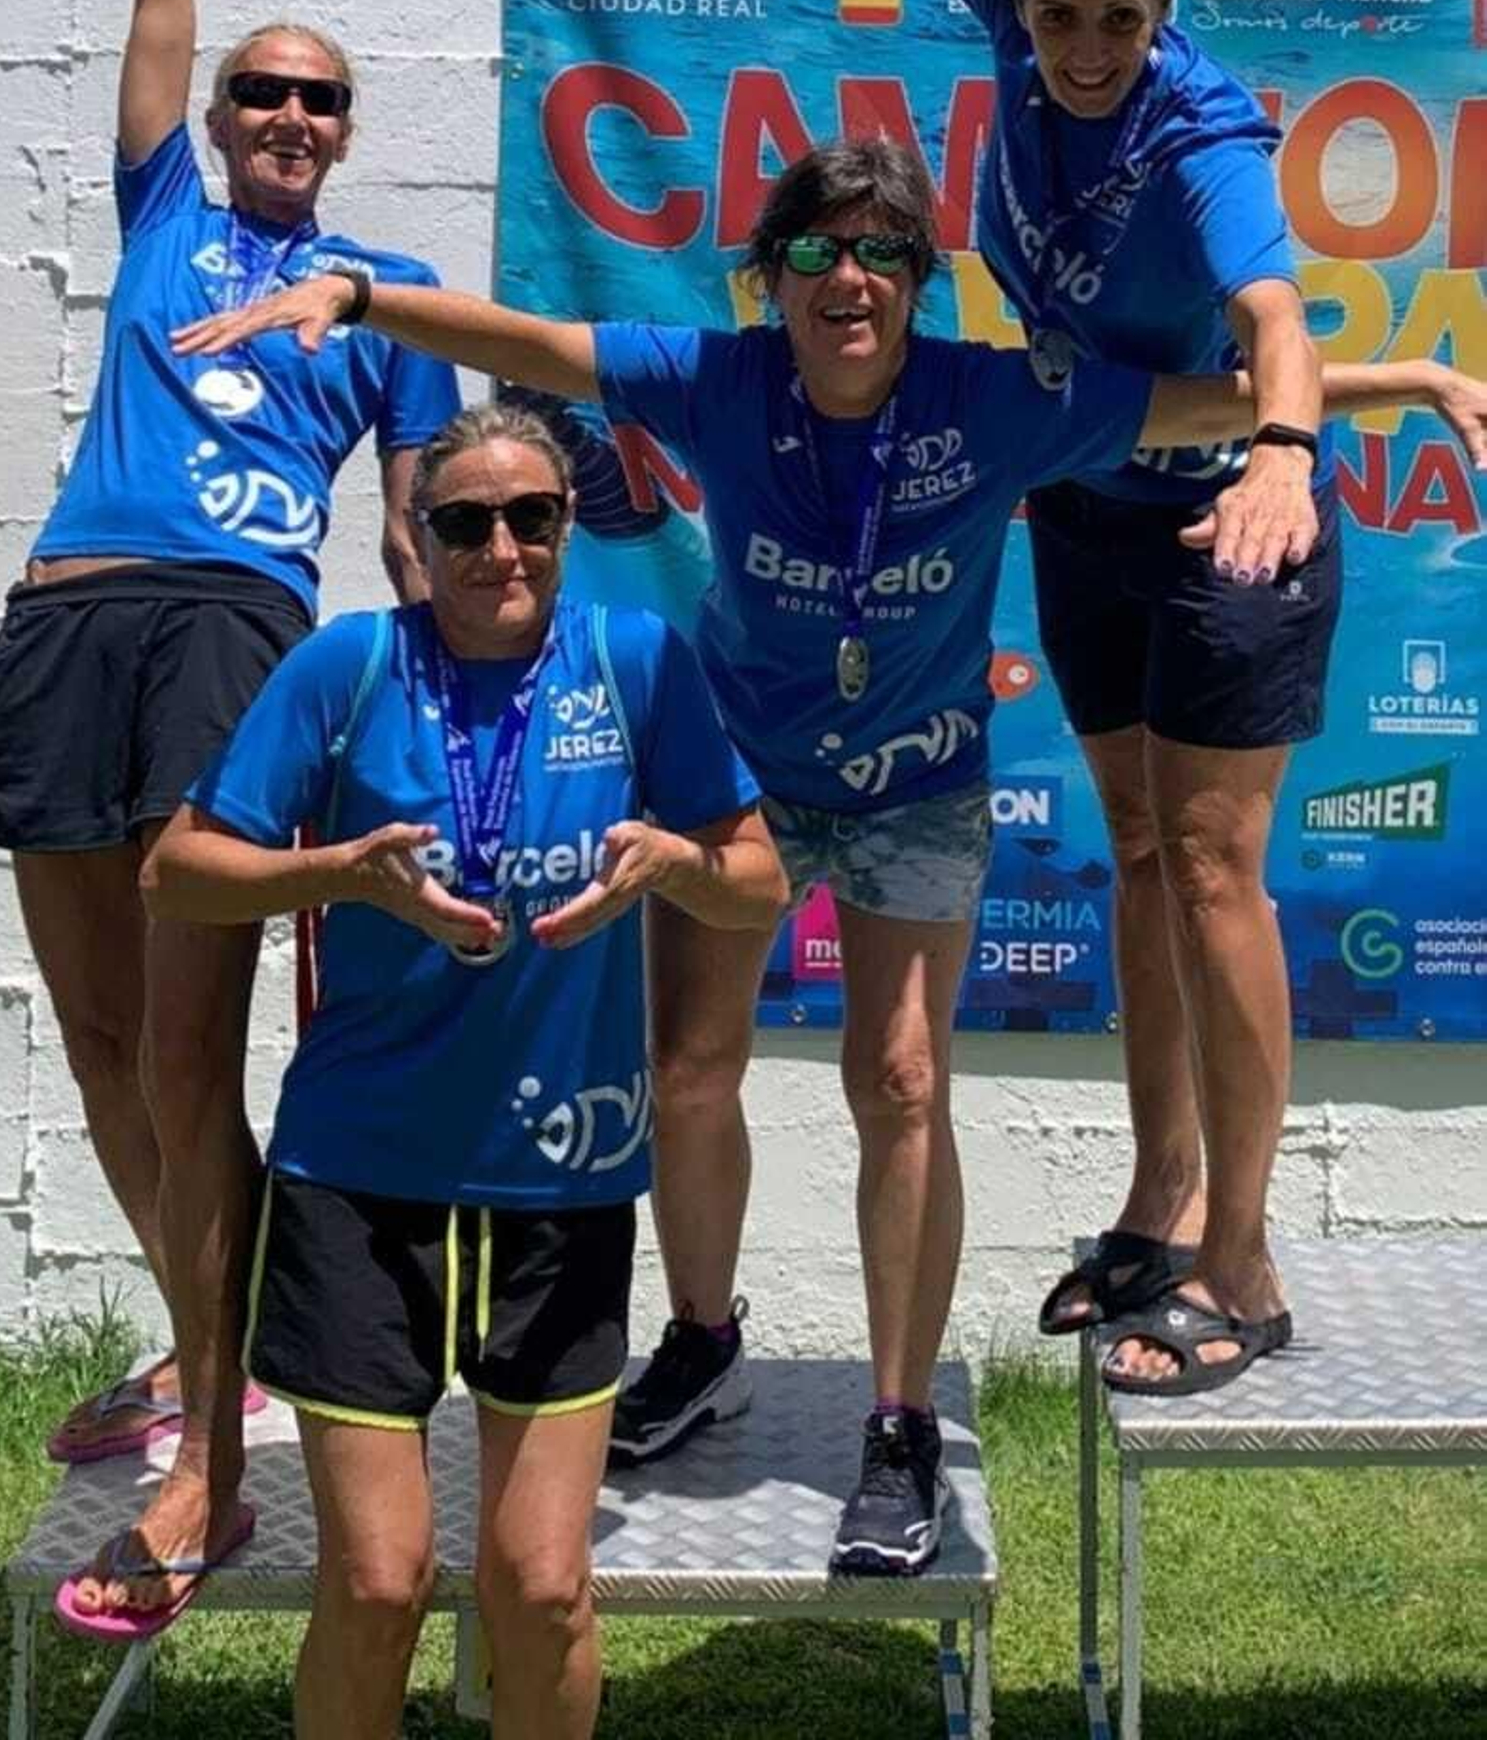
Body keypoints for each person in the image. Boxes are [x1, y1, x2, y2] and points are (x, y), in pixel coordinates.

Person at [167, 139, 1482, 1549]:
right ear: (772, 276)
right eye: (814, 253)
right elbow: (535, 340)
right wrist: (364, 299)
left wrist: (1395, 385)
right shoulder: (721, 379)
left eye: (880, 254)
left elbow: (1189, 406)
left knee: (902, 1077)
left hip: (920, 780)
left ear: (918, 279)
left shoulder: (988, 395)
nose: (845, 278)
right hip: (748, 780)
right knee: (687, 1071)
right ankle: (705, 1334)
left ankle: (900, 1420)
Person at [808, 0, 1486, 1394]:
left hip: (1231, 529)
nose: (1087, 45)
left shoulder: (1202, 139)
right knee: (1128, 851)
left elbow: (1274, 317)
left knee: (1208, 870)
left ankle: (1244, 1268)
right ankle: (1157, 1198)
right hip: (1091, 511)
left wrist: (1278, 457)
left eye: (1120, 17)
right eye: (1060, 15)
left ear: (1164, 9)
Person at [0, 0, 459, 1622]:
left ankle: (207, 1468)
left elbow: (423, 531)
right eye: (261, 87)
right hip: (63, 628)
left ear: (340, 134)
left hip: (229, 642)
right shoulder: (162, 203)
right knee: (96, 1046)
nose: (278, 111)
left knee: (187, 1054)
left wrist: (434, 727)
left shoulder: (384, 288)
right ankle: (200, 1334)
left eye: (314, 98)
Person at [112, 404, 782, 1736]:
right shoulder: (347, 667)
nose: (501, 546)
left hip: (562, 1185)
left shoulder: (637, 662)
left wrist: (675, 866)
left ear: (567, 526)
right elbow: (175, 869)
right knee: (377, 1578)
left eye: (530, 515)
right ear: (419, 538)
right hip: (361, 1185)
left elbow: (759, 878)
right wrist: (336, 872)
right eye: (465, 521)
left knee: (536, 1584)